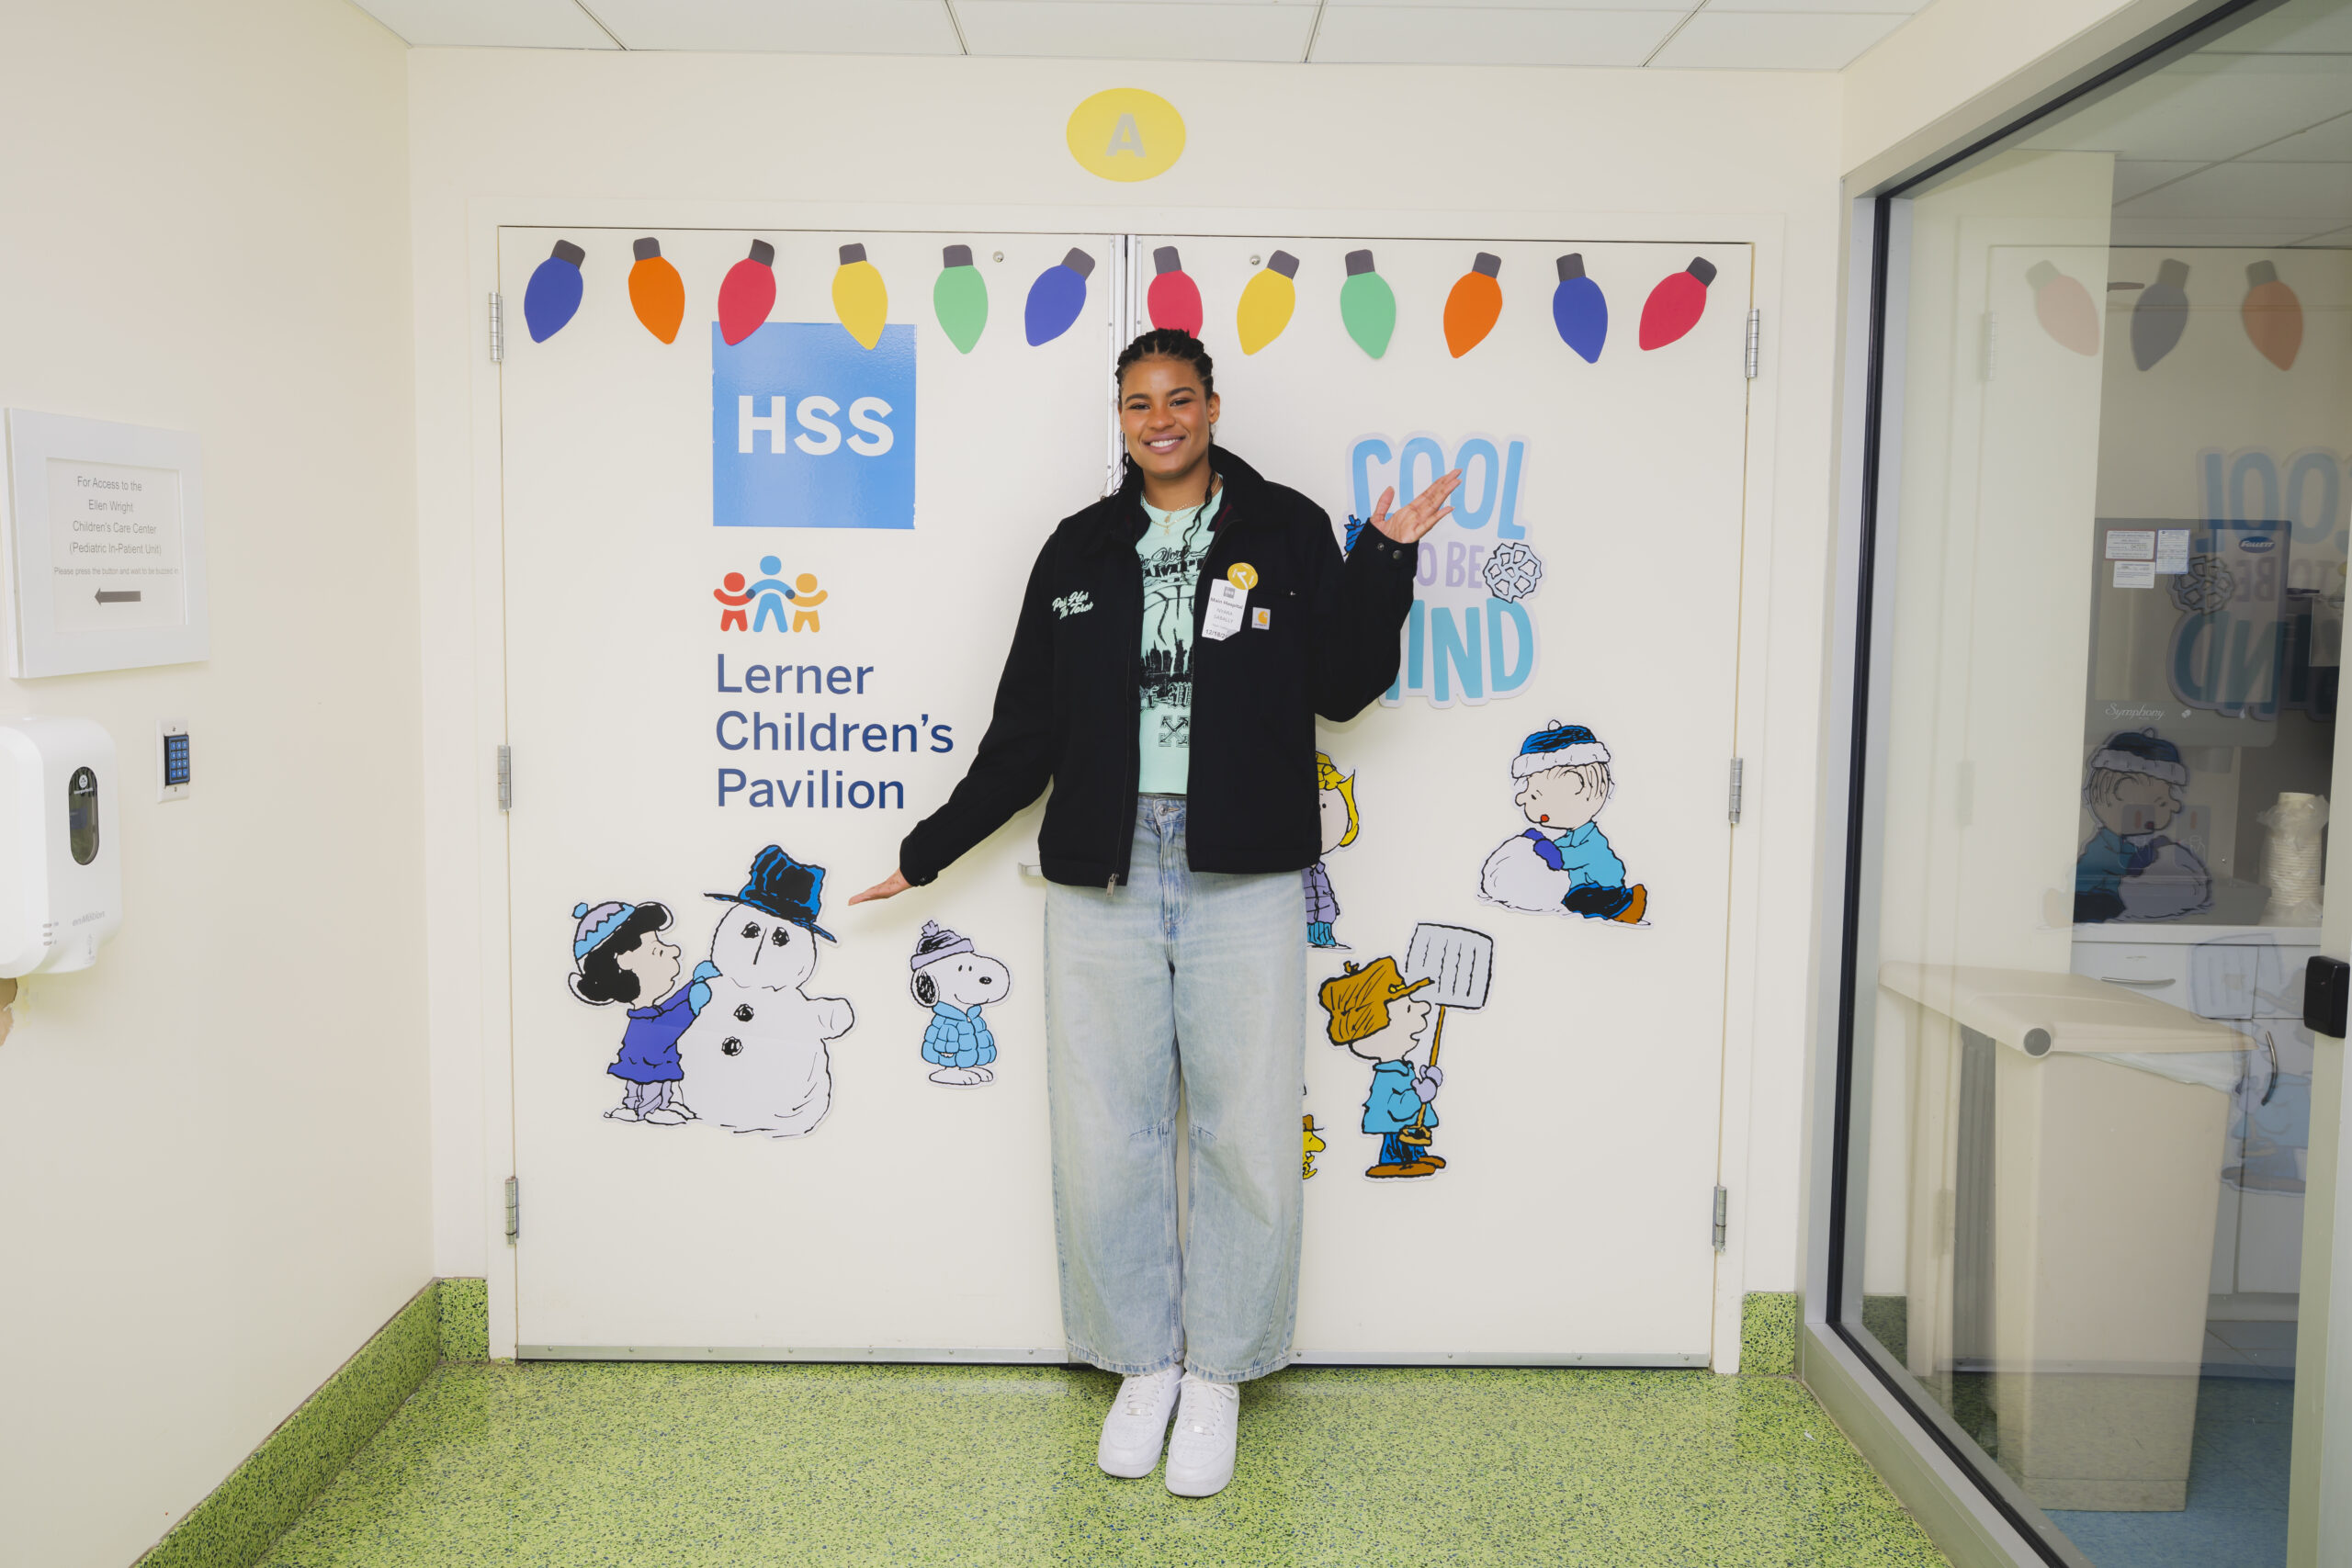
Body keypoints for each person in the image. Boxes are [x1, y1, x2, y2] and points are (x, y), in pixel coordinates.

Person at [850, 327, 1459, 1498]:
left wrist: (1382, 558)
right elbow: (1021, 737)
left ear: (1214, 407)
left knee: (1244, 1134)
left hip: (1244, 869)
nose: (1160, 419)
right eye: (1139, 403)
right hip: (1104, 869)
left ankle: (1220, 1371)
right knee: (1106, 1133)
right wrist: (924, 856)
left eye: (1180, 398)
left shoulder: (1283, 528)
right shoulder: (1078, 548)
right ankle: (1141, 1364)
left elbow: (1342, 688)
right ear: (1119, 419)